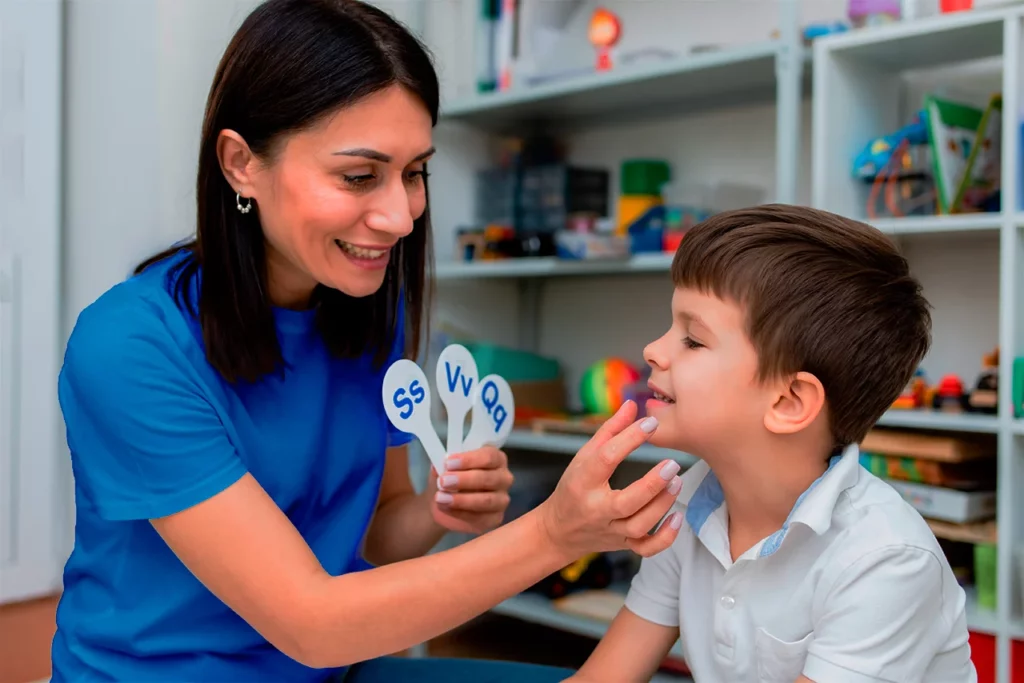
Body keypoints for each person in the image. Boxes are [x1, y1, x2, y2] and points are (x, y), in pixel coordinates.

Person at [50, 1, 687, 680]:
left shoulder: (364, 300)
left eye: (416, 172)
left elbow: (377, 534)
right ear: (240, 163)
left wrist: (440, 507)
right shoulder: (129, 346)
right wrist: (554, 531)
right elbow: (313, 622)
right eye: (359, 176)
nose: (400, 215)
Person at [571, 205, 977, 683]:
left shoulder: (885, 558)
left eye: (693, 340)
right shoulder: (685, 504)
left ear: (787, 401)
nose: (653, 350)